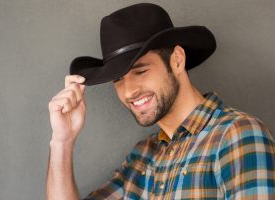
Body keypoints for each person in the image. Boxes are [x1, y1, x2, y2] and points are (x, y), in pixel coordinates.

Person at [46, 3, 275, 200]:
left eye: (140, 71)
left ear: (177, 60)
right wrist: (62, 142)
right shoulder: (144, 155)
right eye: (118, 80)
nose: (128, 92)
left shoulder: (237, 134)